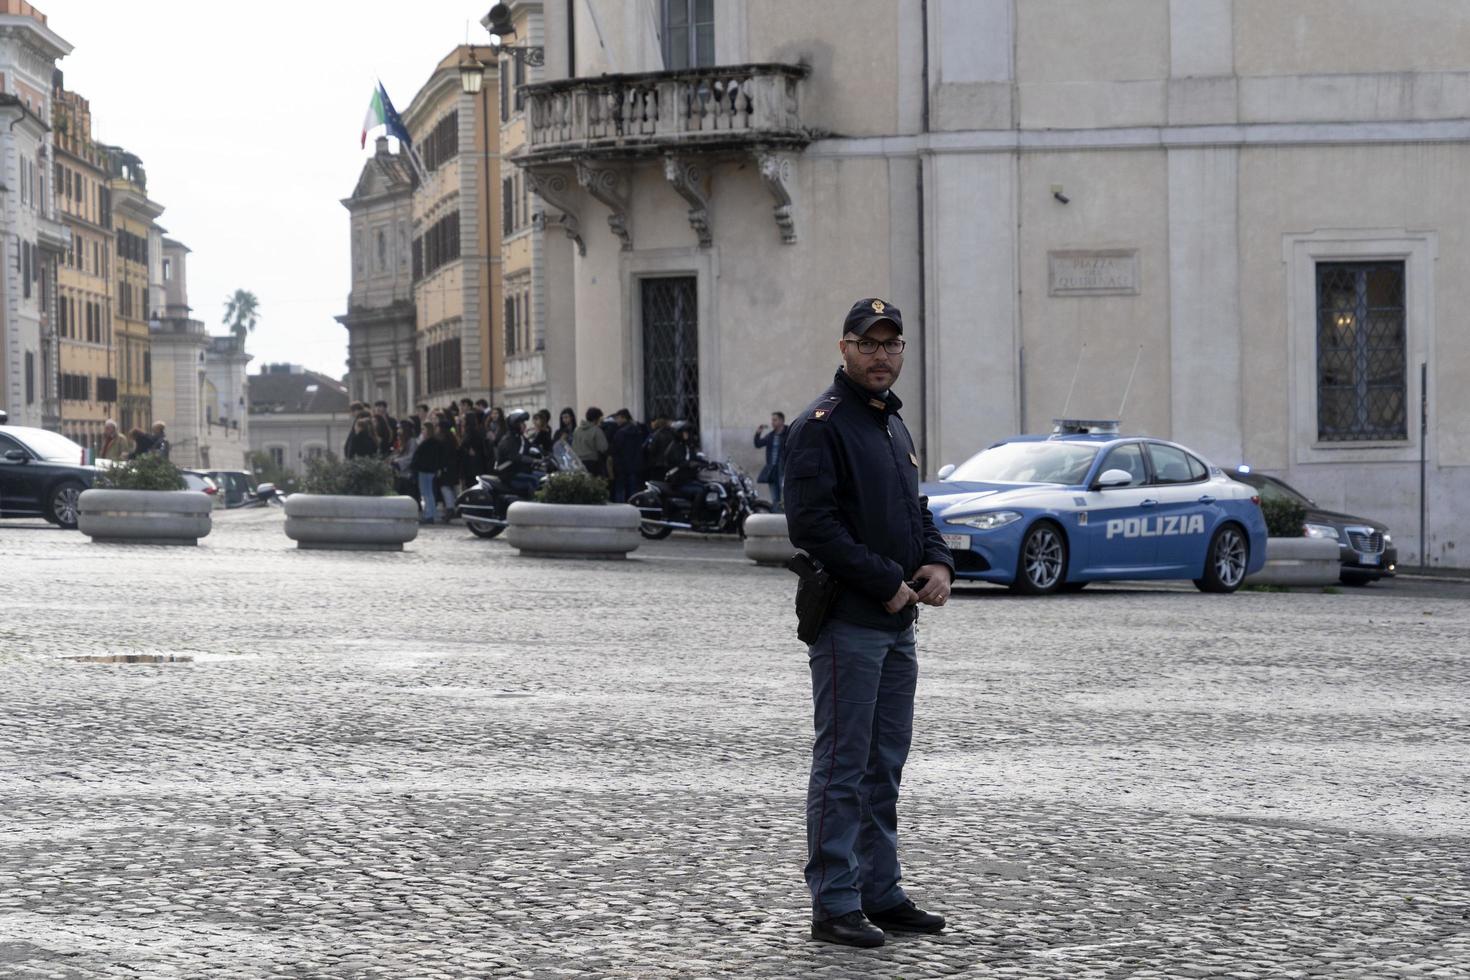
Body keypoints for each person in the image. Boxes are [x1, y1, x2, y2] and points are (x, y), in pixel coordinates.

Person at [783, 297, 954, 949]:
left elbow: (914, 510)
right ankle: (835, 899)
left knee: (884, 763)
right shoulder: (820, 425)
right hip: (849, 620)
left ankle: (879, 890)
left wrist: (937, 563)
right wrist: (885, 580)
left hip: (895, 626)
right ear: (844, 348)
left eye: (892, 344)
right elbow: (812, 526)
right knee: (843, 763)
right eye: (869, 343)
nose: (882, 355)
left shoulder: (891, 425)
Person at [494, 409, 542, 498]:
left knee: (544, 477)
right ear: (515, 424)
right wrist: (533, 460)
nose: (525, 425)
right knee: (534, 480)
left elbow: (531, 447)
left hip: (519, 471)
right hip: (509, 475)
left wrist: (545, 455)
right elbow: (515, 457)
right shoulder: (508, 440)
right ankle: (534, 506)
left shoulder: (520, 437)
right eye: (522, 423)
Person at [410, 424, 448, 524]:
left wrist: (415, 466)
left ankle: (429, 514)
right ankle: (431, 513)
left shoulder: (427, 443)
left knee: (426, 493)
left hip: (424, 470)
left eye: (424, 429)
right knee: (429, 493)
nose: (422, 431)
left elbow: (419, 456)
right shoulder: (436, 443)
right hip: (431, 470)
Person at [608, 409, 647, 503]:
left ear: (623, 418)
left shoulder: (620, 433)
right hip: (634, 466)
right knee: (633, 492)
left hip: (621, 467)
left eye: (618, 418)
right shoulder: (638, 431)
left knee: (620, 491)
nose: (616, 421)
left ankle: (620, 511)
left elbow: (615, 450)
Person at [754, 411, 788, 510]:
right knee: (775, 498)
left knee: (786, 497)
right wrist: (758, 433)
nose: (772, 422)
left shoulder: (788, 432)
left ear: (781, 421)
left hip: (784, 470)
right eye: (772, 420)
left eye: (775, 420)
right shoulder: (771, 435)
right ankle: (775, 518)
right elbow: (758, 444)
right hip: (772, 470)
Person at [571, 407, 610, 478]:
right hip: (592, 463)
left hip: (578, 462)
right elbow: (603, 448)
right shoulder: (597, 430)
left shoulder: (577, 430)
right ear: (596, 419)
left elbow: (573, 446)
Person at [389, 420, 419, 499]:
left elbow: (411, 457)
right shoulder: (402, 441)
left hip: (407, 475)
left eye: (400, 428)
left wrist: (397, 462)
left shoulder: (412, 441)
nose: (398, 430)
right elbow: (399, 454)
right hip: (400, 475)